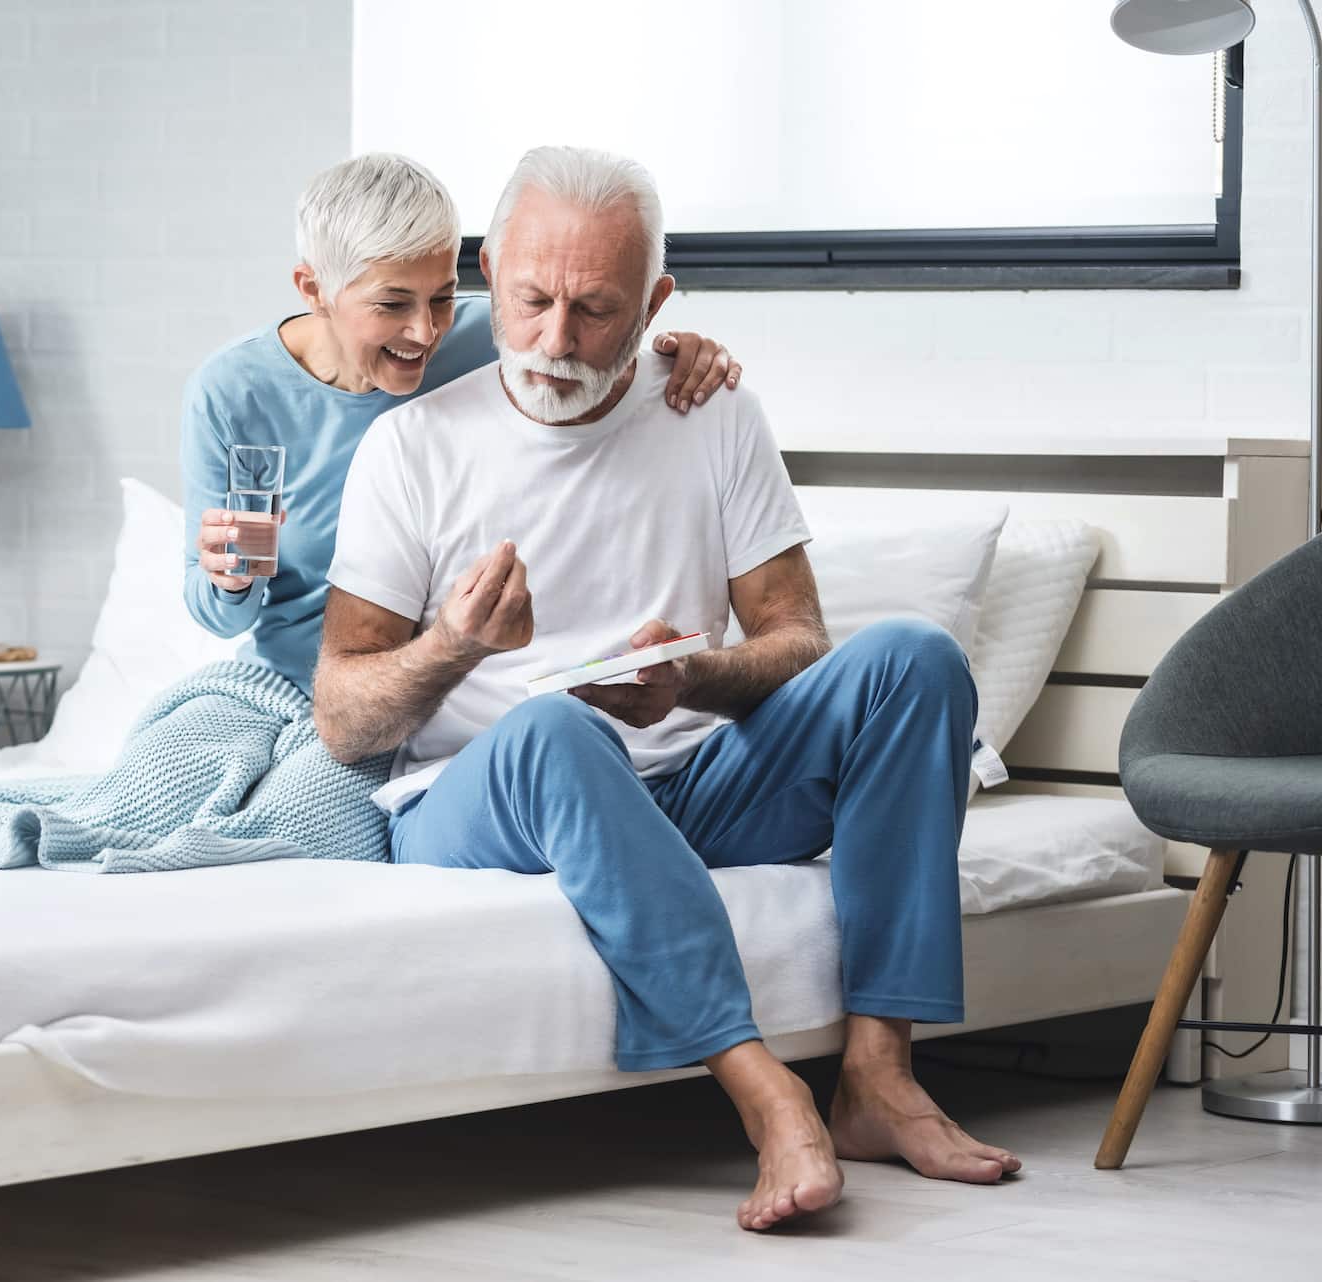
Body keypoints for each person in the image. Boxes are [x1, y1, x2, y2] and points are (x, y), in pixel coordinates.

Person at [314, 145, 1020, 1233]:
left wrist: (695, 674)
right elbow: (343, 715)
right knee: (555, 727)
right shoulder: (412, 447)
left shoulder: (713, 412)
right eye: (532, 299)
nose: (556, 341)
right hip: (481, 796)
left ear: (656, 302)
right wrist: (452, 645)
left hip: (685, 783)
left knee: (914, 659)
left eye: (596, 311)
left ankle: (878, 1073)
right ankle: (764, 1088)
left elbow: (798, 638)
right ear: (490, 272)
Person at [180, 152, 741, 696]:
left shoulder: (485, 339)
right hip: (274, 676)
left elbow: (595, 344)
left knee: (296, 798)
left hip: (403, 689)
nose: (426, 333)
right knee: (158, 780)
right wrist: (231, 579)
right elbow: (222, 620)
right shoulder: (234, 391)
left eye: (442, 297)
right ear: (314, 290)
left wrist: (680, 350)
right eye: (393, 304)